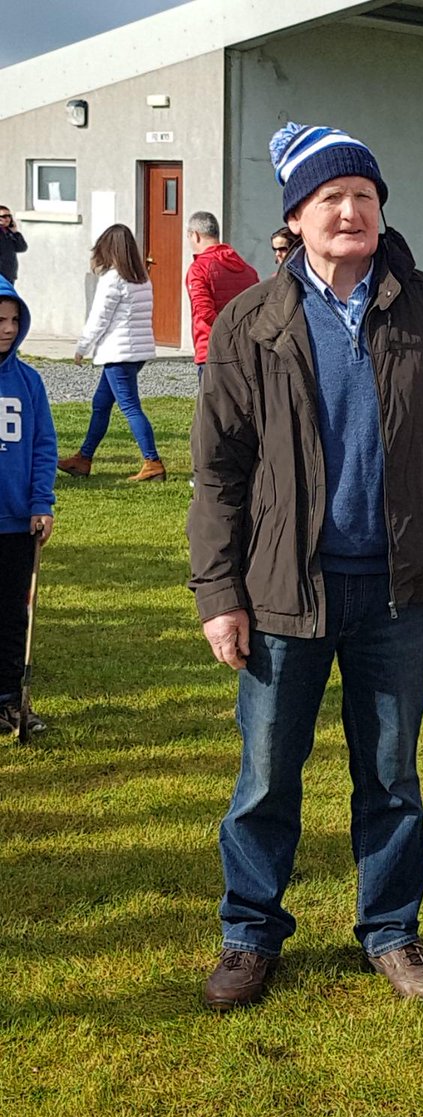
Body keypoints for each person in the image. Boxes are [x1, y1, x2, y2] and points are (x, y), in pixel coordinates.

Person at [189, 121, 423, 1012]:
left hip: (400, 589)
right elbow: (218, 472)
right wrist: (220, 594)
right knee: (265, 778)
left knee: (393, 777)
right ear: (297, 216)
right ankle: (249, 935)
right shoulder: (253, 321)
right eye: (332, 199)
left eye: (365, 196)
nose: (352, 211)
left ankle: (393, 932)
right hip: (284, 589)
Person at [58, 224, 164, 483]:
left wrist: (82, 347)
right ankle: (83, 458)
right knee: (101, 405)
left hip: (118, 353)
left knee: (129, 406)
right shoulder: (141, 278)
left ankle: (153, 462)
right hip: (135, 352)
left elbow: (99, 319)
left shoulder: (112, 280)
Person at [0, 278, 56, 735]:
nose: (7, 328)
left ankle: (9, 700)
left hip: (16, 522)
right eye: (0, 320)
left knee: (12, 614)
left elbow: (43, 445)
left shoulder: (29, 382)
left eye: (14, 320)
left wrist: (41, 502)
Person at [185, 211, 259, 379]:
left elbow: (204, 311)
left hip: (212, 348)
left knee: (213, 403)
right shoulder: (247, 269)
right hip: (243, 347)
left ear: (195, 235)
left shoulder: (198, 269)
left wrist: (225, 332)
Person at [0, 207, 27, 283]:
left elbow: (22, 248)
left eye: (9, 216)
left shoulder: (9, 232)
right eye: (4, 216)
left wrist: (15, 233)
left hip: (9, 274)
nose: (8, 219)